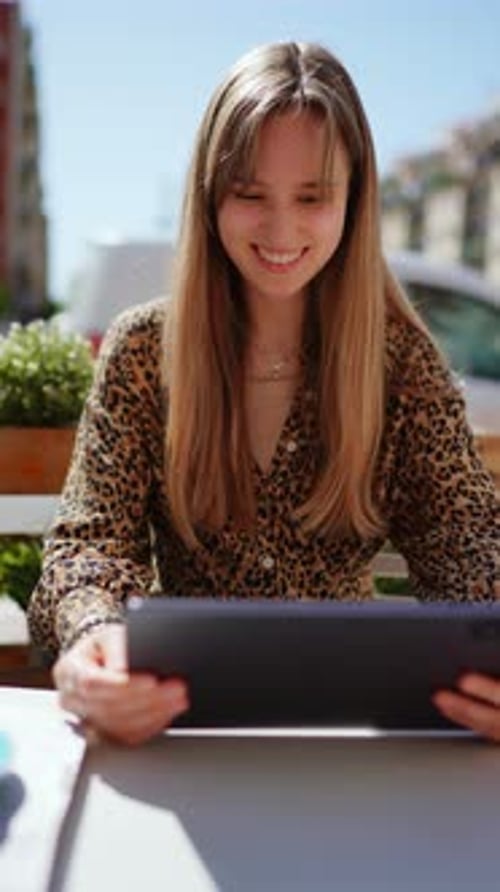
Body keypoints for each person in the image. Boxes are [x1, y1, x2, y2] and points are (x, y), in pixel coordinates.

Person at [27, 41, 499, 745]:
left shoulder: (403, 366)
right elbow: (88, 548)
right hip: (179, 732)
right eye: (250, 194)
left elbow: (466, 546)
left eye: (312, 197)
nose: (281, 230)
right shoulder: (142, 350)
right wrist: (96, 638)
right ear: (210, 195)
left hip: (348, 736)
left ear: (355, 199)